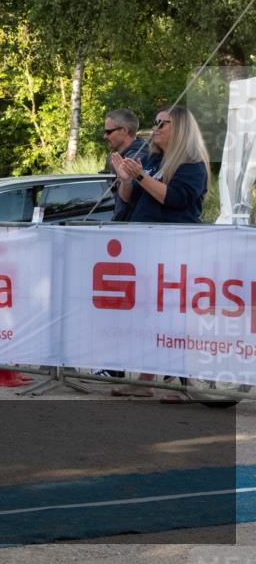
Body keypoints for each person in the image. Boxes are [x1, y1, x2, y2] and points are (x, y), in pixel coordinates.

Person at [109, 105, 210, 401]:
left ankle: (180, 382)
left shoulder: (191, 164)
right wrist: (126, 179)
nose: (155, 128)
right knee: (152, 315)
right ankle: (149, 380)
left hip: (174, 248)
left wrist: (140, 177)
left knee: (173, 316)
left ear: (179, 129)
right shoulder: (154, 160)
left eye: (162, 124)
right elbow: (129, 200)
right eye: (155, 122)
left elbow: (176, 199)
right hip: (148, 247)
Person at [102, 109, 147, 221]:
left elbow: (131, 199)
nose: (105, 136)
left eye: (109, 132)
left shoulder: (139, 157)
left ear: (124, 130)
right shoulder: (118, 156)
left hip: (134, 227)